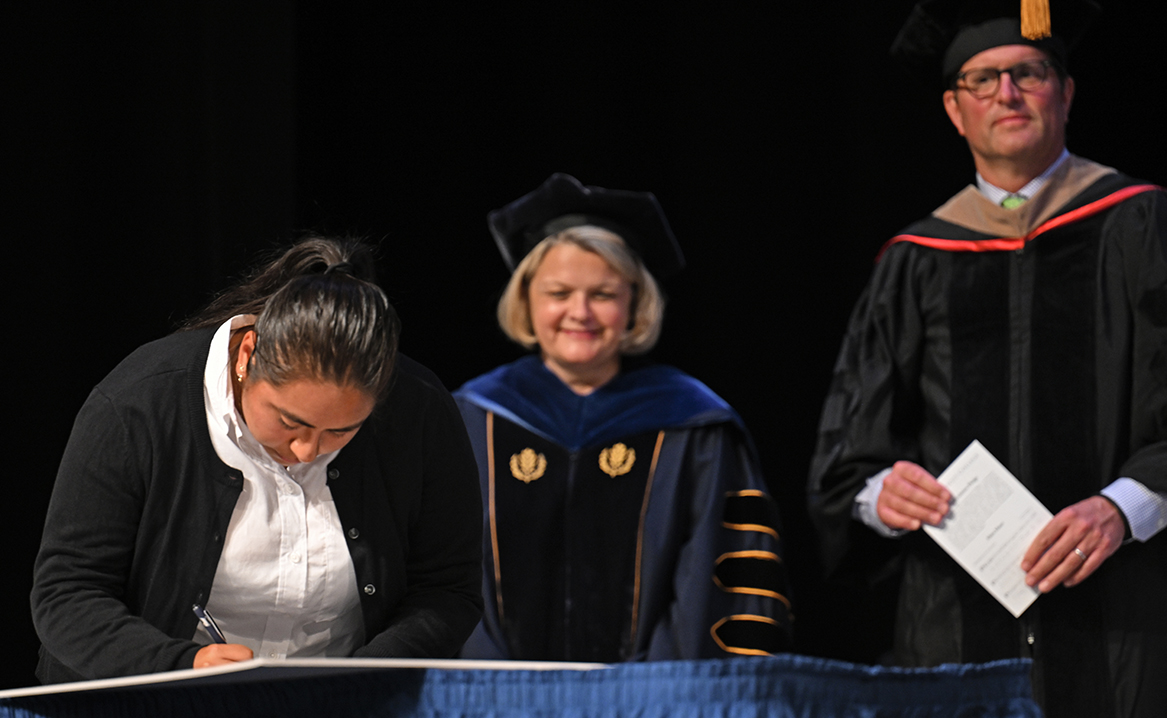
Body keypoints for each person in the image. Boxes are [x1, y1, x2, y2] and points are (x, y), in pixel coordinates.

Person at [807, 2, 1167, 716]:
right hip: (953, 626)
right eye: (982, 79)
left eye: (1029, 72)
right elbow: (846, 463)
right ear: (953, 108)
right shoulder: (915, 260)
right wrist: (881, 496)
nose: (1007, 93)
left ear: (1065, 92)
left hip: (1126, 620)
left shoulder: (1142, 224)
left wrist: (1122, 508)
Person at [31, 237, 483, 683]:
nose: (307, 451)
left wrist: (362, 678)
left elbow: (447, 589)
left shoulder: (420, 410)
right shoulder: (140, 403)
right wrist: (182, 666)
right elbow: (67, 593)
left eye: (341, 432)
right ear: (246, 355)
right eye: (290, 421)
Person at [455, 173, 792, 662]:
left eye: (604, 295)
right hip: (496, 693)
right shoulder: (472, 420)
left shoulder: (693, 426)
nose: (580, 312)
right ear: (526, 298)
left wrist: (649, 691)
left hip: (654, 696)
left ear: (635, 302)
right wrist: (491, 684)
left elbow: (719, 585)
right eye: (558, 293)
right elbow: (445, 575)